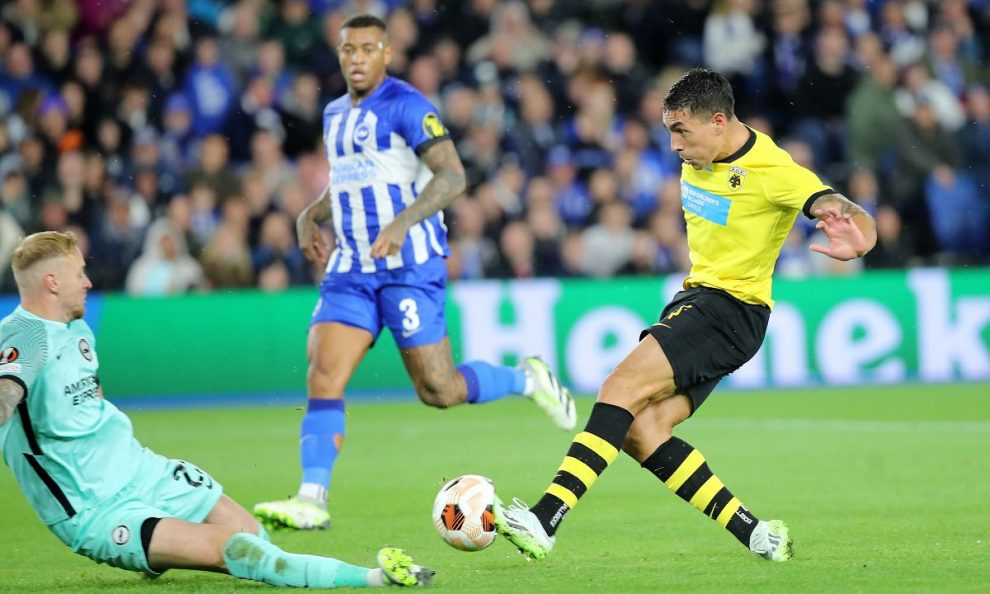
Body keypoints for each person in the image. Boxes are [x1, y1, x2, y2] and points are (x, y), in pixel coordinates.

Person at [491, 69, 877, 562]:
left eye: (681, 131)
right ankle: (756, 533)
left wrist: (859, 231)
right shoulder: (700, 153)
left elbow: (828, 200)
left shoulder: (772, 170)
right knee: (642, 431)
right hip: (700, 302)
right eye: (669, 131)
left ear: (718, 122)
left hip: (729, 308)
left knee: (619, 388)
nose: (674, 145)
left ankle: (545, 520)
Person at [252, 14, 576, 531]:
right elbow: (352, 182)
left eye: (368, 48)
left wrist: (403, 222)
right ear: (339, 54)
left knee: (439, 389)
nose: (357, 58)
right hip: (352, 267)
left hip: (409, 266)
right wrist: (311, 213)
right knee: (323, 373)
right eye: (348, 49)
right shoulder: (334, 114)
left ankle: (525, 378)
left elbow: (453, 175)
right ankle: (312, 498)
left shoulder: (407, 105)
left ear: (386, 53)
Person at [0, 231, 433, 588]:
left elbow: (89, 401)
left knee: (255, 536)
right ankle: (375, 578)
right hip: (97, 509)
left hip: (143, 472)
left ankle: (162, 549)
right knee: (238, 552)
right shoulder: (25, 338)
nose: (89, 282)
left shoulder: (76, 327)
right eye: (79, 273)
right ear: (52, 282)